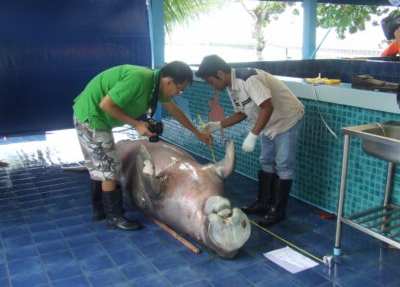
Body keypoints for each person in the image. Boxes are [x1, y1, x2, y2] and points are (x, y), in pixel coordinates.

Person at [73, 61, 212, 231]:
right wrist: (136, 124)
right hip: (92, 118)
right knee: (110, 169)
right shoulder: (139, 79)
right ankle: (114, 218)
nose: (178, 93)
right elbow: (106, 104)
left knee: (101, 166)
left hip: (96, 118)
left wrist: (198, 133)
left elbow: (175, 111)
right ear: (168, 81)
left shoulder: (156, 85)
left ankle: (100, 210)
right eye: (180, 89)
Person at [196, 55, 304, 227]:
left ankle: (278, 210)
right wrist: (218, 125)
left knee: (283, 164)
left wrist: (253, 135)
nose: (211, 86)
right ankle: (263, 202)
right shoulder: (232, 86)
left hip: (286, 119)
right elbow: (242, 112)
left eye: (211, 81)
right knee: (266, 160)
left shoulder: (248, 79)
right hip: (268, 123)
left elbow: (268, 106)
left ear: (220, 73)